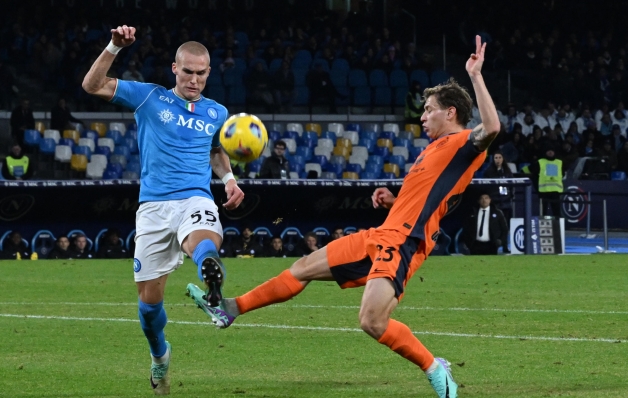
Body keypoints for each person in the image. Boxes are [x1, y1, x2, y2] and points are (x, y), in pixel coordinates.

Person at [186, 36, 499, 398]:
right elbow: (430, 199)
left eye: (428, 109)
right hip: (382, 234)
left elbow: (491, 128)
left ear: (451, 113)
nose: (422, 115)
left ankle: (435, 368)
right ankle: (230, 309)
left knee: (371, 320)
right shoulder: (435, 150)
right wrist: (393, 198)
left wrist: (475, 75)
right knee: (303, 266)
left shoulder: (461, 144)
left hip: (403, 243)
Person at [82, 24, 244, 395]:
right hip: (153, 207)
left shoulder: (217, 113)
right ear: (174, 68)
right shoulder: (148, 97)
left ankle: (208, 270)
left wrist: (230, 179)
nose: (194, 79)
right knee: (148, 308)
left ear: (208, 73)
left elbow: (217, 151)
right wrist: (113, 47)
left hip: (195, 198)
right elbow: (92, 85)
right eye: (187, 71)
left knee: (202, 233)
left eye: (201, 73)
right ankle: (160, 356)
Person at [483, 150, 514, 223]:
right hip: (494, 203)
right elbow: (485, 187)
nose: (498, 160)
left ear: (503, 159)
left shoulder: (507, 171)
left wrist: (510, 196)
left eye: (500, 157)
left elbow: (511, 185)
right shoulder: (488, 172)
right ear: (493, 159)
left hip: (506, 203)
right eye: (496, 158)